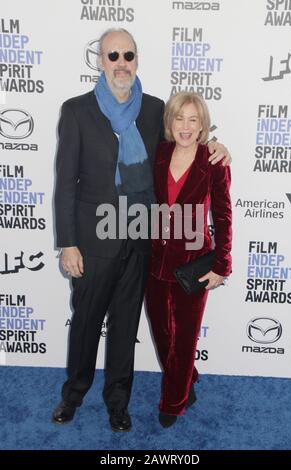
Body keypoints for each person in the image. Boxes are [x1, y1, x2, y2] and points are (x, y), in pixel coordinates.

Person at [52, 27, 231, 432]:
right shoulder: (77, 111)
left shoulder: (153, 110)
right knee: (85, 323)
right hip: (94, 241)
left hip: (141, 240)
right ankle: (73, 394)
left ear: (137, 61)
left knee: (125, 326)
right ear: (100, 61)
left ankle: (118, 401)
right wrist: (68, 244)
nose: (121, 64)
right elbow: (65, 183)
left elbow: (188, 141)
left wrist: (220, 148)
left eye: (128, 56)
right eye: (112, 56)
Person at [145, 91, 232, 428]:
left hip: (195, 264)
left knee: (184, 339)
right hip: (155, 261)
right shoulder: (159, 153)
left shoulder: (213, 162)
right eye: (179, 118)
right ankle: (187, 378)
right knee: (162, 332)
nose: (185, 126)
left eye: (193, 120)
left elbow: (223, 217)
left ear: (202, 127)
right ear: (170, 122)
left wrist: (221, 265)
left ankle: (174, 401)